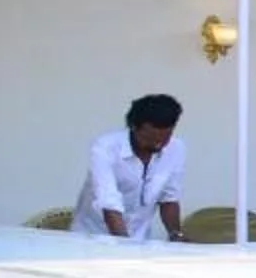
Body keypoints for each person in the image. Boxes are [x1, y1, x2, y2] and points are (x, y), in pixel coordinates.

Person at [75, 95, 189, 242]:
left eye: (164, 139)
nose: (157, 145)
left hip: (140, 240)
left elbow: (169, 198)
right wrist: (125, 247)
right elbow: (109, 202)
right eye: (150, 139)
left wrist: (175, 235)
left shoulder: (176, 149)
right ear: (133, 127)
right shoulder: (105, 148)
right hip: (92, 239)